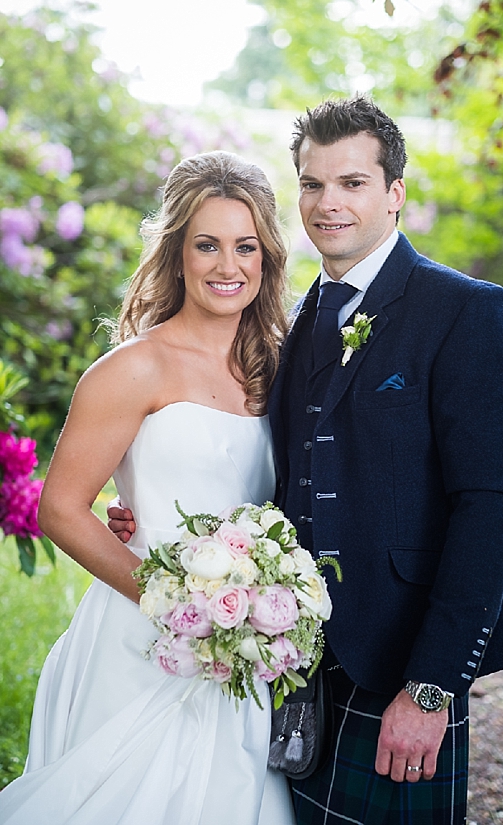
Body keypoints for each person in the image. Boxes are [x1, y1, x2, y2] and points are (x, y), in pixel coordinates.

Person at [108, 97, 503, 824]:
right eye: (312, 183)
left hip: (402, 659)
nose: (328, 202)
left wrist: (431, 688)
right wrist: (158, 517)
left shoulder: (469, 312)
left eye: (353, 182)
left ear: (395, 193)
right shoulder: (293, 323)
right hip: (293, 659)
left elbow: (492, 510)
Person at [0, 151, 298, 825]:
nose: (228, 266)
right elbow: (60, 508)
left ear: (267, 256)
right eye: (208, 245)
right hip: (144, 641)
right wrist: (177, 606)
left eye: (245, 246)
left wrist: (252, 612)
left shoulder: (280, 369)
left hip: (242, 649)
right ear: (178, 252)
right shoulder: (131, 370)